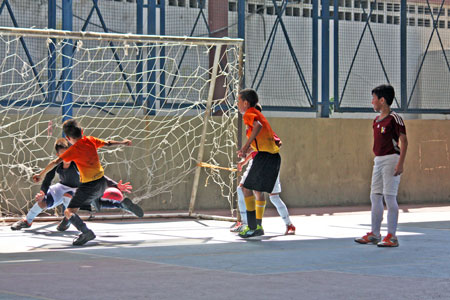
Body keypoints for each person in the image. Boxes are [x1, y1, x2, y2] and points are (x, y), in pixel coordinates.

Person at [33, 119, 132, 246]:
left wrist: (40, 175)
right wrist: (123, 142)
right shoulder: (90, 140)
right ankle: (120, 204)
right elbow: (107, 143)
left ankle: (86, 232)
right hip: (101, 181)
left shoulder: (72, 151)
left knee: (69, 212)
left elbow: (54, 163)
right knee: (96, 203)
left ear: (68, 138)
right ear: (82, 131)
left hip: (88, 185)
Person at [13, 138, 142, 231]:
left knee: (85, 199)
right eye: (63, 154)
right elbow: (47, 180)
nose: (67, 156)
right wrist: (42, 192)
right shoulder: (55, 165)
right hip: (62, 186)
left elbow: (100, 176)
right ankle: (27, 221)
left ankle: (67, 219)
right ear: (58, 154)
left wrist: (114, 185)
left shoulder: (78, 164)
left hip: (81, 188)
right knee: (42, 202)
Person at [355, 84, 408, 247]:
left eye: (374, 99)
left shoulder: (395, 118)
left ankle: (392, 236)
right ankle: (375, 234)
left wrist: (400, 163)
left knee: (390, 197)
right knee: (375, 196)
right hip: (378, 160)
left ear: (382, 100)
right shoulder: (376, 120)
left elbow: (404, 141)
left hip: (392, 159)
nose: (372, 102)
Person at [231, 104, 295, 235]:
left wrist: (263, 146)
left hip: (266, 164)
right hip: (258, 162)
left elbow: (277, 143)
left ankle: (286, 224)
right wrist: (244, 161)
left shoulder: (263, 130)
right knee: (245, 189)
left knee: (270, 196)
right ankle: (247, 223)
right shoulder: (252, 130)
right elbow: (255, 151)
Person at [236, 89, 281, 238]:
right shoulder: (256, 114)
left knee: (246, 188)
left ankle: (252, 227)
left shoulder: (249, 114)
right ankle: (257, 226)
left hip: (265, 157)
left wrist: (244, 147)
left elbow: (258, 127)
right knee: (255, 190)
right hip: (270, 157)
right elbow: (261, 138)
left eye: (238, 101)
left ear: (245, 103)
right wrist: (246, 152)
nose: (237, 104)